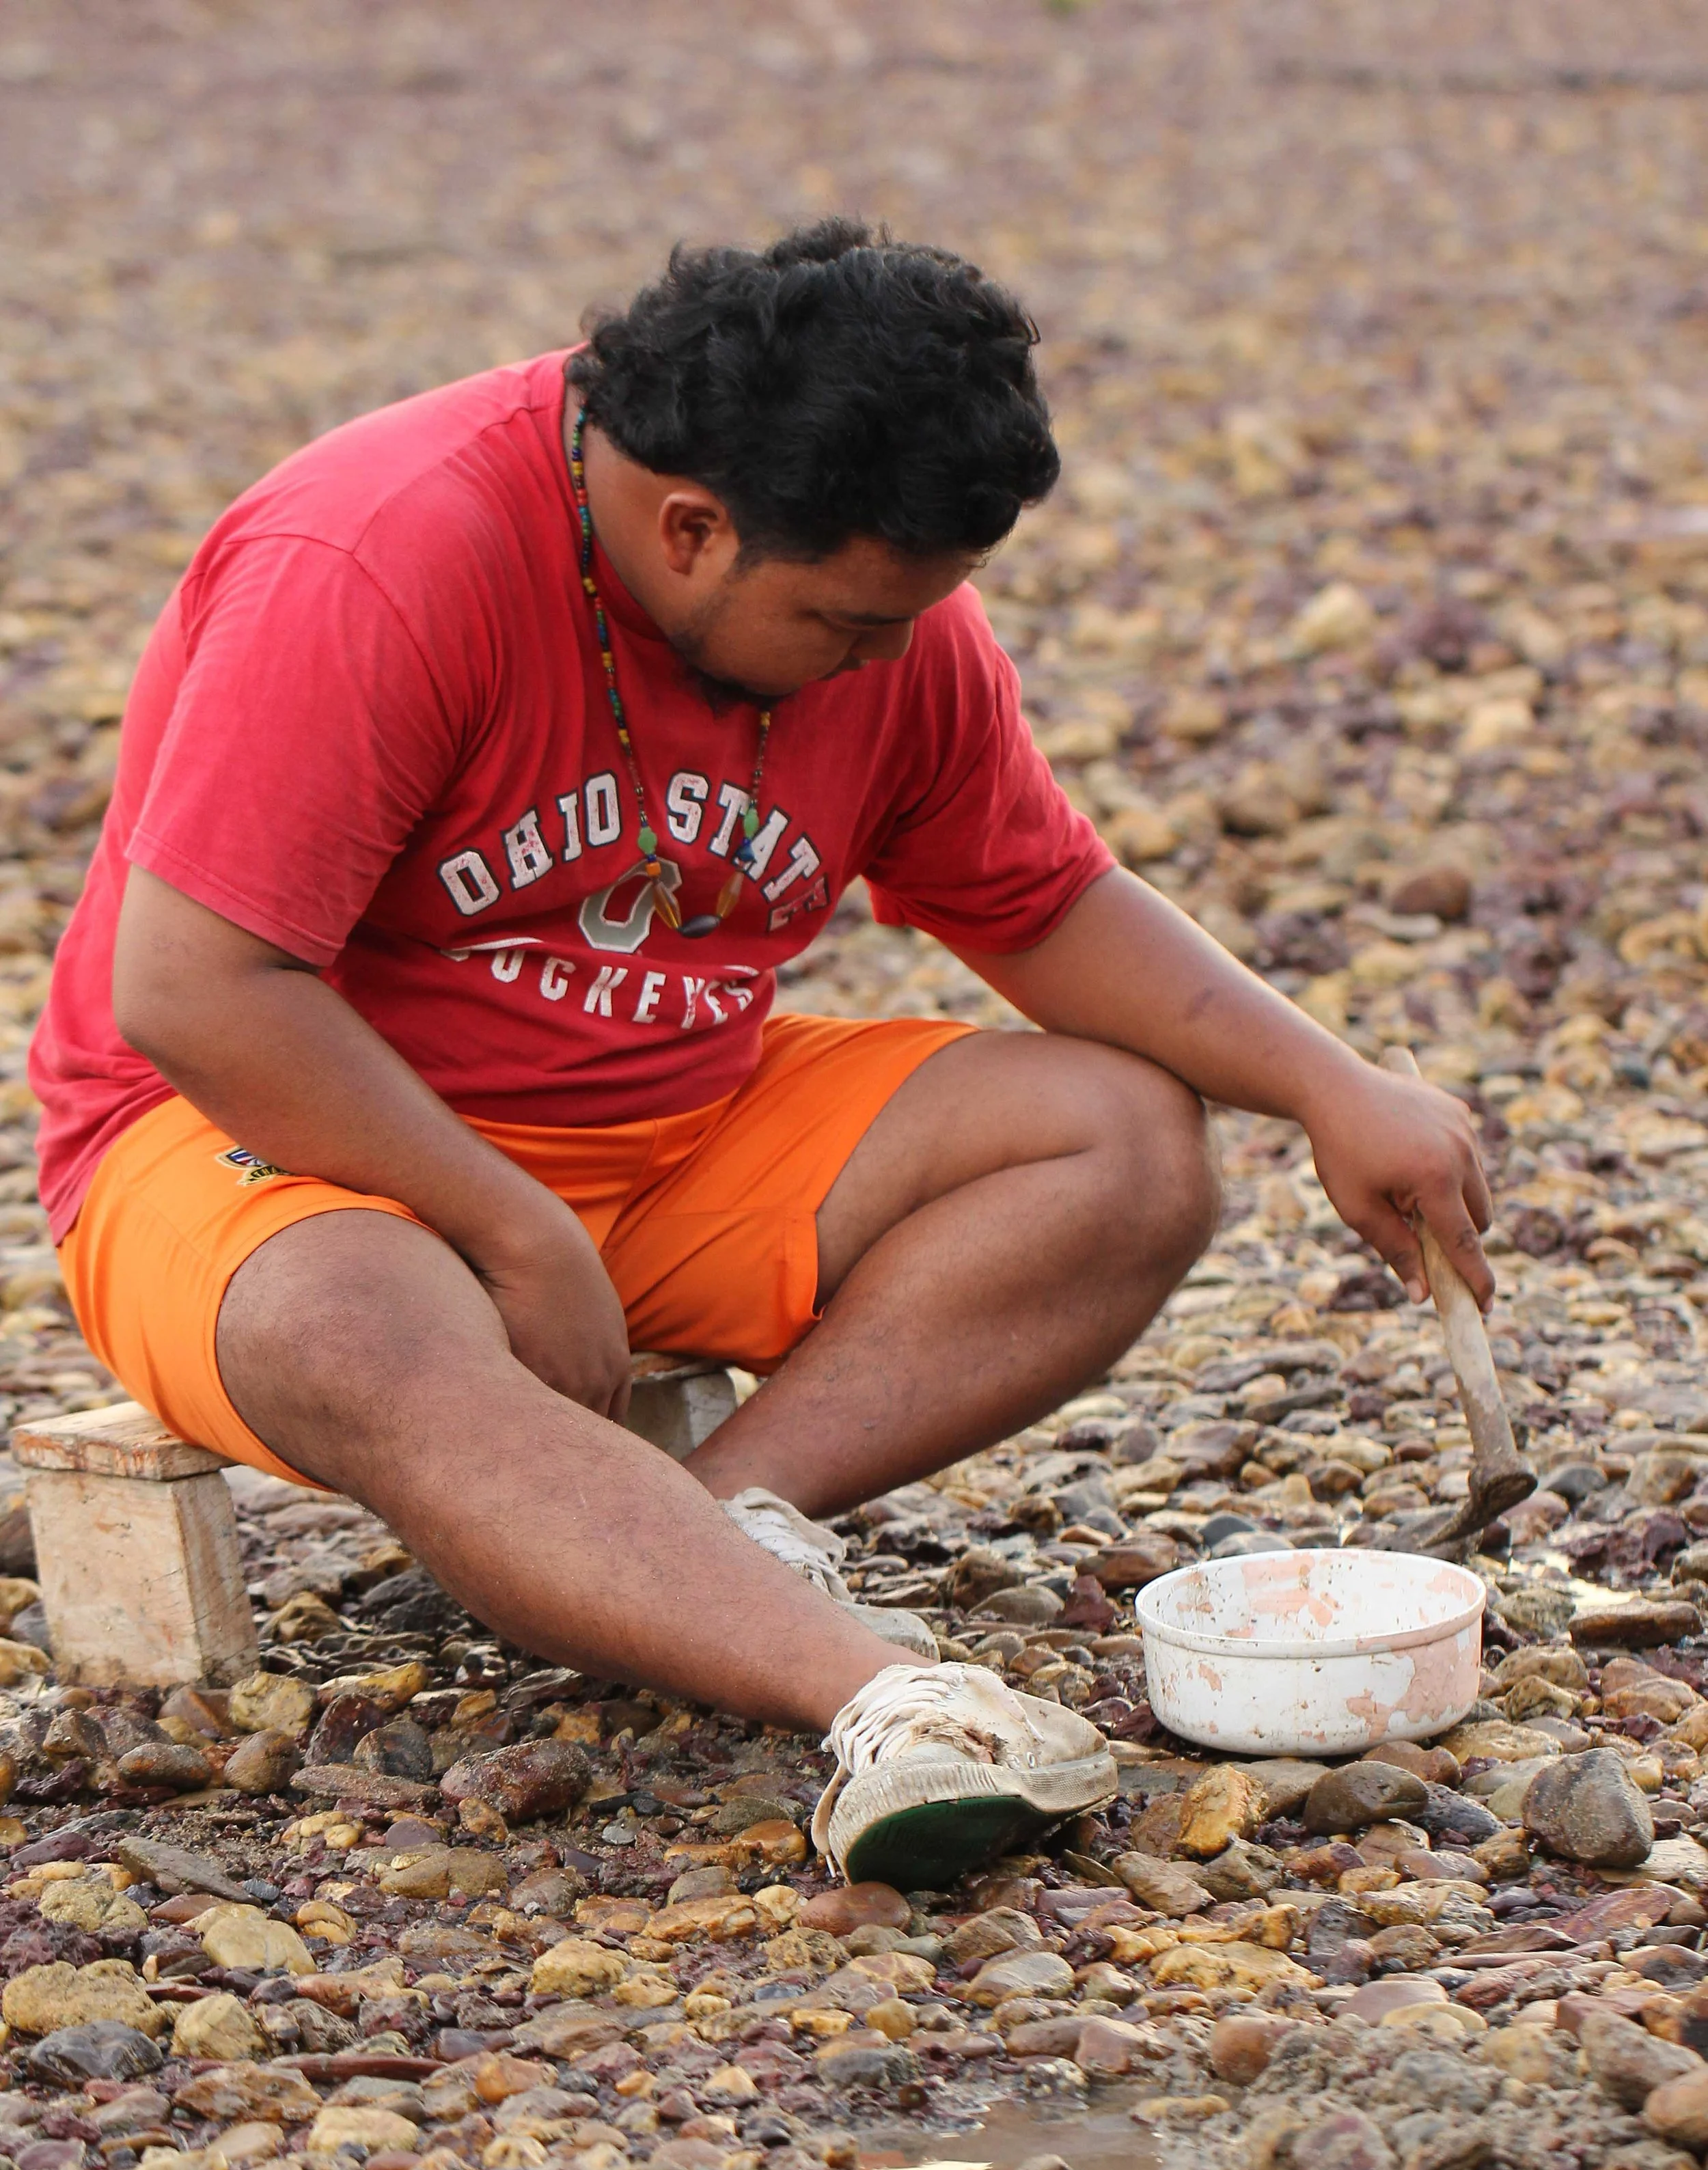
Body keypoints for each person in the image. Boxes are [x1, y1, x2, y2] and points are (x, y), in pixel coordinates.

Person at [29, 219, 1493, 1888]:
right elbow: (202, 991)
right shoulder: (377, 555)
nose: (888, 658)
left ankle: (705, 1530)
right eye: (847, 622)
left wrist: (1329, 1082)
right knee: (354, 1326)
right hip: (277, 1145)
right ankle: (887, 1698)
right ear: (690, 522)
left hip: (669, 1117)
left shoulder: (880, 613)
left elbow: (1035, 897)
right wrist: (510, 1225)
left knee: (1124, 1138)